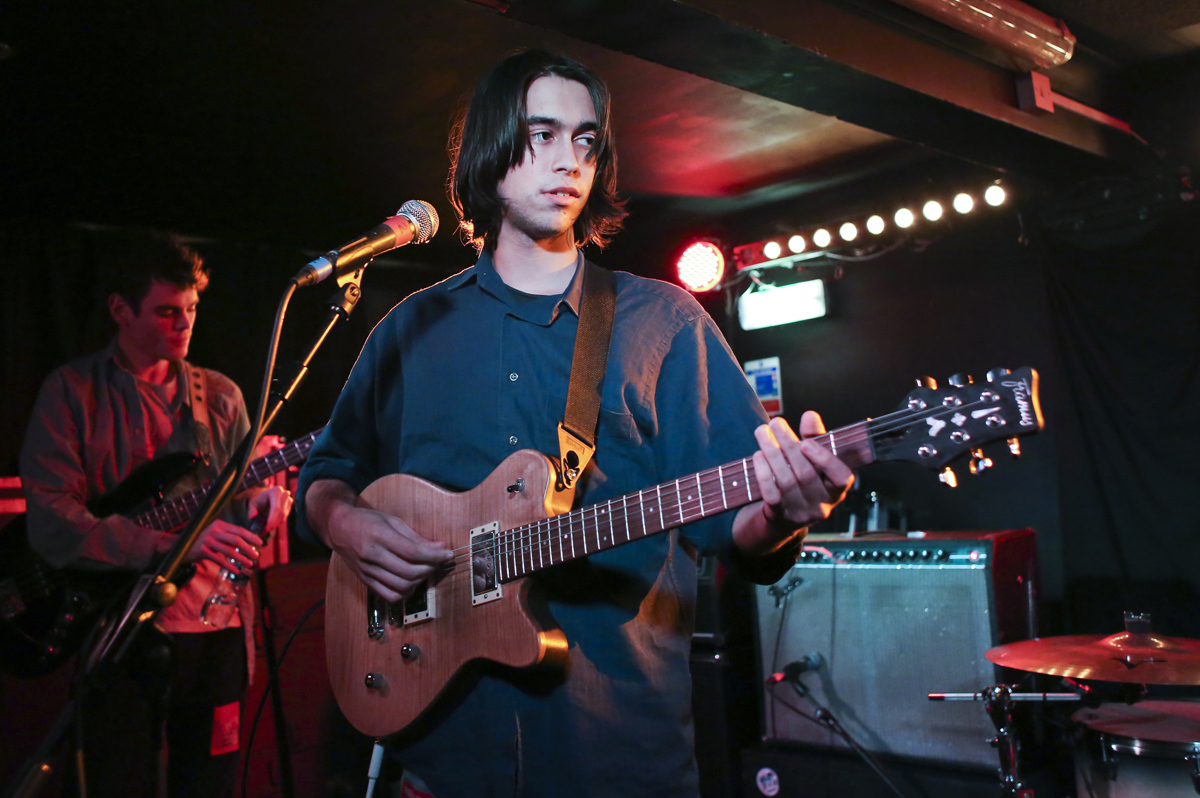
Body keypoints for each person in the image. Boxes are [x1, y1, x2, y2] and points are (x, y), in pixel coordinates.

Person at [297, 49, 853, 797]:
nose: (569, 160)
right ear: (491, 146)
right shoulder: (410, 329)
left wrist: (786, 512)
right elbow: (328, 473)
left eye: (586, 141)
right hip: (441, 759)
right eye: (543, 135)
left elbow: (739, 532)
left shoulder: (663, 323)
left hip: (616, 755)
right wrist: (346, 525)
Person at [18, 234, 293, 798]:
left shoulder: (221, 395)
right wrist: (171, 546)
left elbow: (240, 494)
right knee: (119, 780)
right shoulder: (72, 392)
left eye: (191, 308)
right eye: (167, 311)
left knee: (210, 782)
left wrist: (262, 503)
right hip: (119, 625)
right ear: (121, 310)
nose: (184, 323)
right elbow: (51, 519)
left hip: (216, 627)